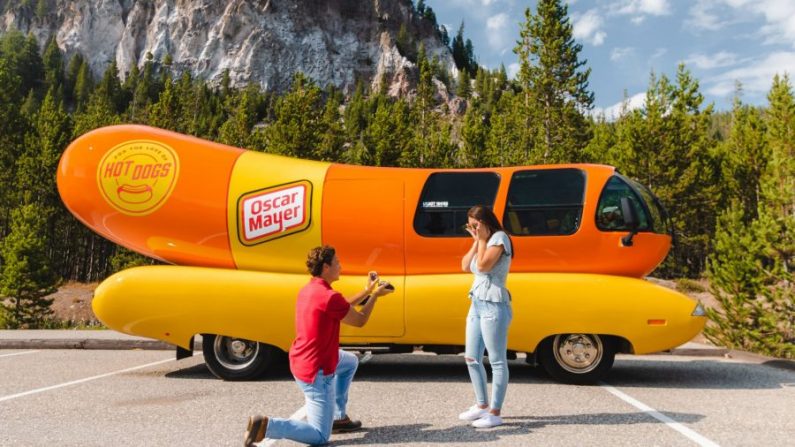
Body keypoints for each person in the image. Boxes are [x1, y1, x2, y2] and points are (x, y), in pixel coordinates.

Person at [243, 245, 393, 446]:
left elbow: (342, 306)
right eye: (337, 263)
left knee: (349, 362)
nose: (341, 266)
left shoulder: (312, 289)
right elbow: (359, 320)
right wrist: (375, 296)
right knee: (320, 436)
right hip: (317, 370)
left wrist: (367, 290)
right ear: (325, 267)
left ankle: (338, 417)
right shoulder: (329, 296)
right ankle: (267, 426)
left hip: (305, 358)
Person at [459, 205, 514, 429]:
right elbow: (465, 266)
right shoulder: (481, 241)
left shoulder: (500, 238)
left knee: (497, 360)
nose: (472, 228)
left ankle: (495, 412)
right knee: (471, 357)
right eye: (469, 225)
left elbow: (483, 266)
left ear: (485, 222)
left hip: (494, 304)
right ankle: (481, 405)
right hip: (477, 303)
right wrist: (475, 240)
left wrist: (482, 240)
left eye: (475, 225)